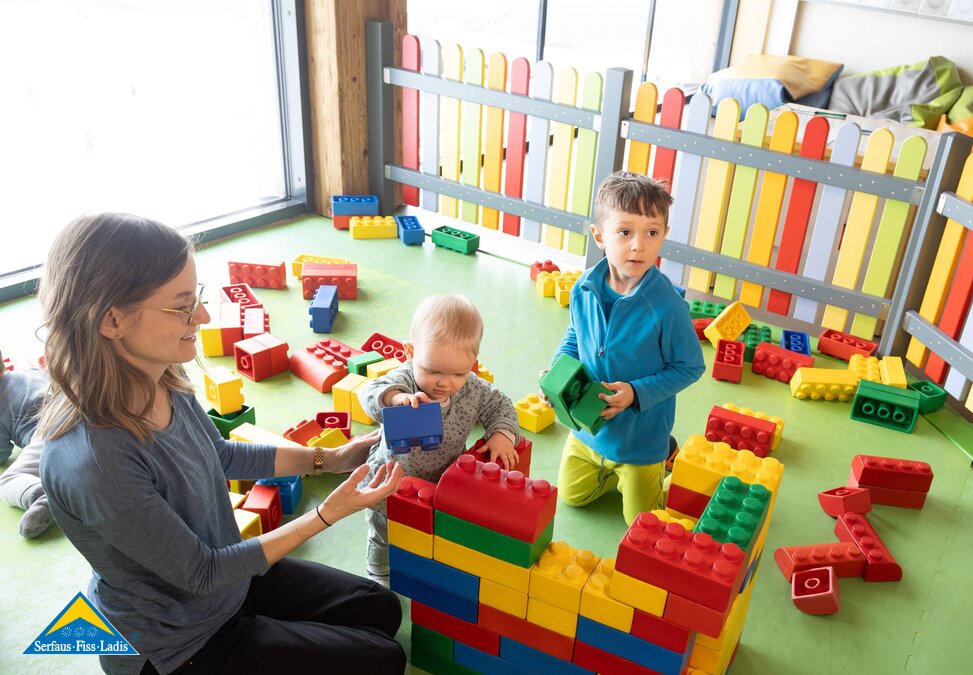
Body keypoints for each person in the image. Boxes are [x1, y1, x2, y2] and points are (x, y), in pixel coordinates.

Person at [36, 213, 407, 675]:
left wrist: (327, 458)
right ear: (112, 319)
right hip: (180, 642)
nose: (204, 317)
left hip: (231, 582)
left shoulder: (162, 375)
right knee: (384, 661)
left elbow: (222, 454)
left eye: (199, 299)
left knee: (381, 609)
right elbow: (201, 572)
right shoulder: (95, 461)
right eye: (181, 306)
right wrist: (328, 512)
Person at [547, 171, 705, 525]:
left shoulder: (667, 307)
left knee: (640, 523)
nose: (639, 244)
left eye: (651, 232)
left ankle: (665, 456)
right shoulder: (584, 288)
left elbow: (690, 367)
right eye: (625, 232)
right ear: (599, 236)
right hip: (587, 431)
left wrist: (636, 393)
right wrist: (557, 370)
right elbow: (576, 335)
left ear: (664, 235)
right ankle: (606, 472)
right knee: (572, 498)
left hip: (639, 441)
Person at [358, 293, 520, 584]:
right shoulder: (404, 380)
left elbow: (501, 404)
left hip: (441, 484)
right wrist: (396, 399)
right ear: (410, 352)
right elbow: (369, 393)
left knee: (429, 532)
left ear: (473, 363)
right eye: (432, 371)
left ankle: (422, 565)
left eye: (458, 372)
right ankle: (378, 571)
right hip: (392, 481)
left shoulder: (473, 389)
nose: (444, 382)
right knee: (384, 531)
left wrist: (501, 435)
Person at [0, 351, 55, 538]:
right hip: (72, 409)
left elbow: (2, 453)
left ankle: (45, 497)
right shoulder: (29, 372)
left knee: (7, 481)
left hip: (50, 430)